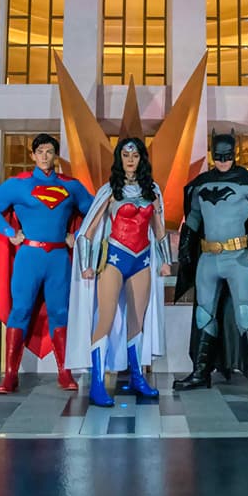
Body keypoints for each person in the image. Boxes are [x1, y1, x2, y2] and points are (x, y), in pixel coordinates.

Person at [173, 130, 248, 399]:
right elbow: (193, 221)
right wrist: (186, 248)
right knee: (204, 314)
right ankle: (201, 372)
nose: (223, 161)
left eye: (227, 156)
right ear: (213, 154)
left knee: (246, 314)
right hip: (208, 259)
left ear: (234, 154)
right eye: (218, 156)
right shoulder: (200, 185)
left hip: (239, 258)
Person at [0, 133, 93, 394]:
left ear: (55, 155)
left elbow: (94, 209)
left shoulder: (71, 186)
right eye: (39, 151)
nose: (44, 156)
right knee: (20, 312)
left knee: (60, 313)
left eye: (49, 151)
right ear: (32, 155)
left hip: (58, 258)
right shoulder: (17, 185)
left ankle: (65, 372)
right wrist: (10, 233)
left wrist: (79, 233)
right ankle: (10, 375)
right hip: (28, 257)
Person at [66, 138, 170, 407]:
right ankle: (97, 383)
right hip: (114, 258)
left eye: (135, 155)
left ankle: (137, 377)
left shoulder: (152, 190)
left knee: (137, 320)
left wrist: (166, 261)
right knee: (106, 319)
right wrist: (86, 266)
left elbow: (159, 231)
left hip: (141, 260)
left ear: (142, 158)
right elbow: (87, 231)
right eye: (125, 155)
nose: (130, 159)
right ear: (119, 158)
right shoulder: (110, 190)